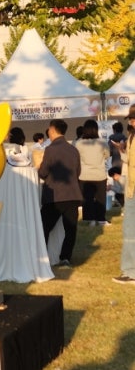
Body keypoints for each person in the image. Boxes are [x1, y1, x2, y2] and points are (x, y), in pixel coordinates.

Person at [37, 119, 82, 267]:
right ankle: (65, 257)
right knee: (71, 229)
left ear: (52, 130)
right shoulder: (73, 149)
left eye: (49, 129)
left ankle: (41, 257)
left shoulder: (50, 149)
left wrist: (38, 169)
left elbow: (43, 172)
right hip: (72, 194)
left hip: (55, 195)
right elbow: (78, 172)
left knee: (44, 227)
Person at [113, 105, 135, 285]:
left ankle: (130, 271)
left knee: (130, 230)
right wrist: (123, 151)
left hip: (132, 188)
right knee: (129, 229)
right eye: (131, 118)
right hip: (131, 187)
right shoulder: (131, 138)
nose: (132, 121)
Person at [74, 118, 110, 227]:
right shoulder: (102, 142)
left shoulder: (79, 143)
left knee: (87, 198)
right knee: (100, 198)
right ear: (96, 129)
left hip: (85, 175)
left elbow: (76, 157)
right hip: (99, 174)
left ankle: (90, 219)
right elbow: (107, 155)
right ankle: (101, 219)